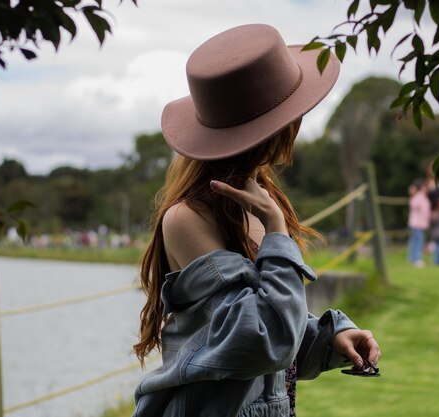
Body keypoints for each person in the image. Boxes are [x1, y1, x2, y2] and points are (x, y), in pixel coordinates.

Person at [131, 24, 381, 417]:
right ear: (278, 127)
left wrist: (330, 337)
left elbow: (273, 331)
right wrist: (277, 231)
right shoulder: (188, 218)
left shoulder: (257, 199)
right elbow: (261, 339)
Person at [407, 179, 431, 267]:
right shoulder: (419, 197)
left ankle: (412, 258)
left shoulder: (424, 198)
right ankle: (416, 259)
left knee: (416, 241)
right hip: (416, 224)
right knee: (418, 242)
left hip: (421, 224)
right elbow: (413, 204)